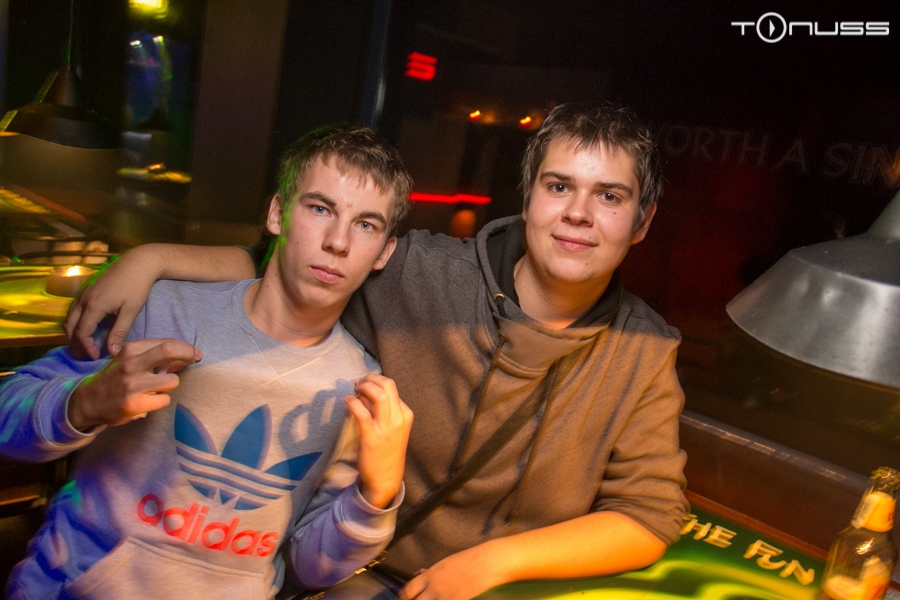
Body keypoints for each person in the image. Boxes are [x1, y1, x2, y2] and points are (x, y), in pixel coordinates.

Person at [65, 102, 689, 599]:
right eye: (559, 186)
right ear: (528, 200)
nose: (578, 213)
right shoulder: (423, 274)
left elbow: (649, 515)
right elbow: (294, 269)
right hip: (357, 573)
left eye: (609, 196)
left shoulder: (644, 348)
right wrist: (151, 259)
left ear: (642, 222)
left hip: (499, 591)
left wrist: (488, 564)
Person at [0, 125, 415, 599]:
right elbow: (6, 418)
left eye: (365, 225)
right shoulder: (162, 309)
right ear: (277, 213)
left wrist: (375, 497)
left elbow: (312, 568)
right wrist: (84, 402)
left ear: (383, 252)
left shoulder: (360, 389)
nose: (337, 242)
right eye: (320, 209)